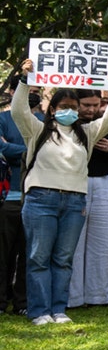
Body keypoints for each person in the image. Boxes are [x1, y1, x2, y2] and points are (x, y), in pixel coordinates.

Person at [13, 60, 108, 325]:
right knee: (39, 257)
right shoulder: (37, 130)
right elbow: (18, 112)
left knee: (63, 259)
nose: (70, 112)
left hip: (75, 201)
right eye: (64, 107)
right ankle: (40, 311)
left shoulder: (86, 133)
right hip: (41, 199)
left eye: (74, 108)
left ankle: (58, 309)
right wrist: (25, 80)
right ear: (52, 110)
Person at [67, 89, 108, 308]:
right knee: (74, 243)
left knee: (104, 241)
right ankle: (72, 297)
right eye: (86, 105)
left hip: (106, 181)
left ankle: (99, 294)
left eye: (96, 105)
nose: (91, 110)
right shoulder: (65, 125)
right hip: (74, 183)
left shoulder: (106, 124)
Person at [0, 79, 40, 316]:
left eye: (37, 92)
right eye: (28, 91)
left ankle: (22, 302)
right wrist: (32, 151)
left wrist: (13, 149)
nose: (32, 95)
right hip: (8, 198)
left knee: (29, 254)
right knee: (4, 254)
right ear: (14, 92)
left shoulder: (45, 121)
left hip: (36, 197)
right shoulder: (3, 119)